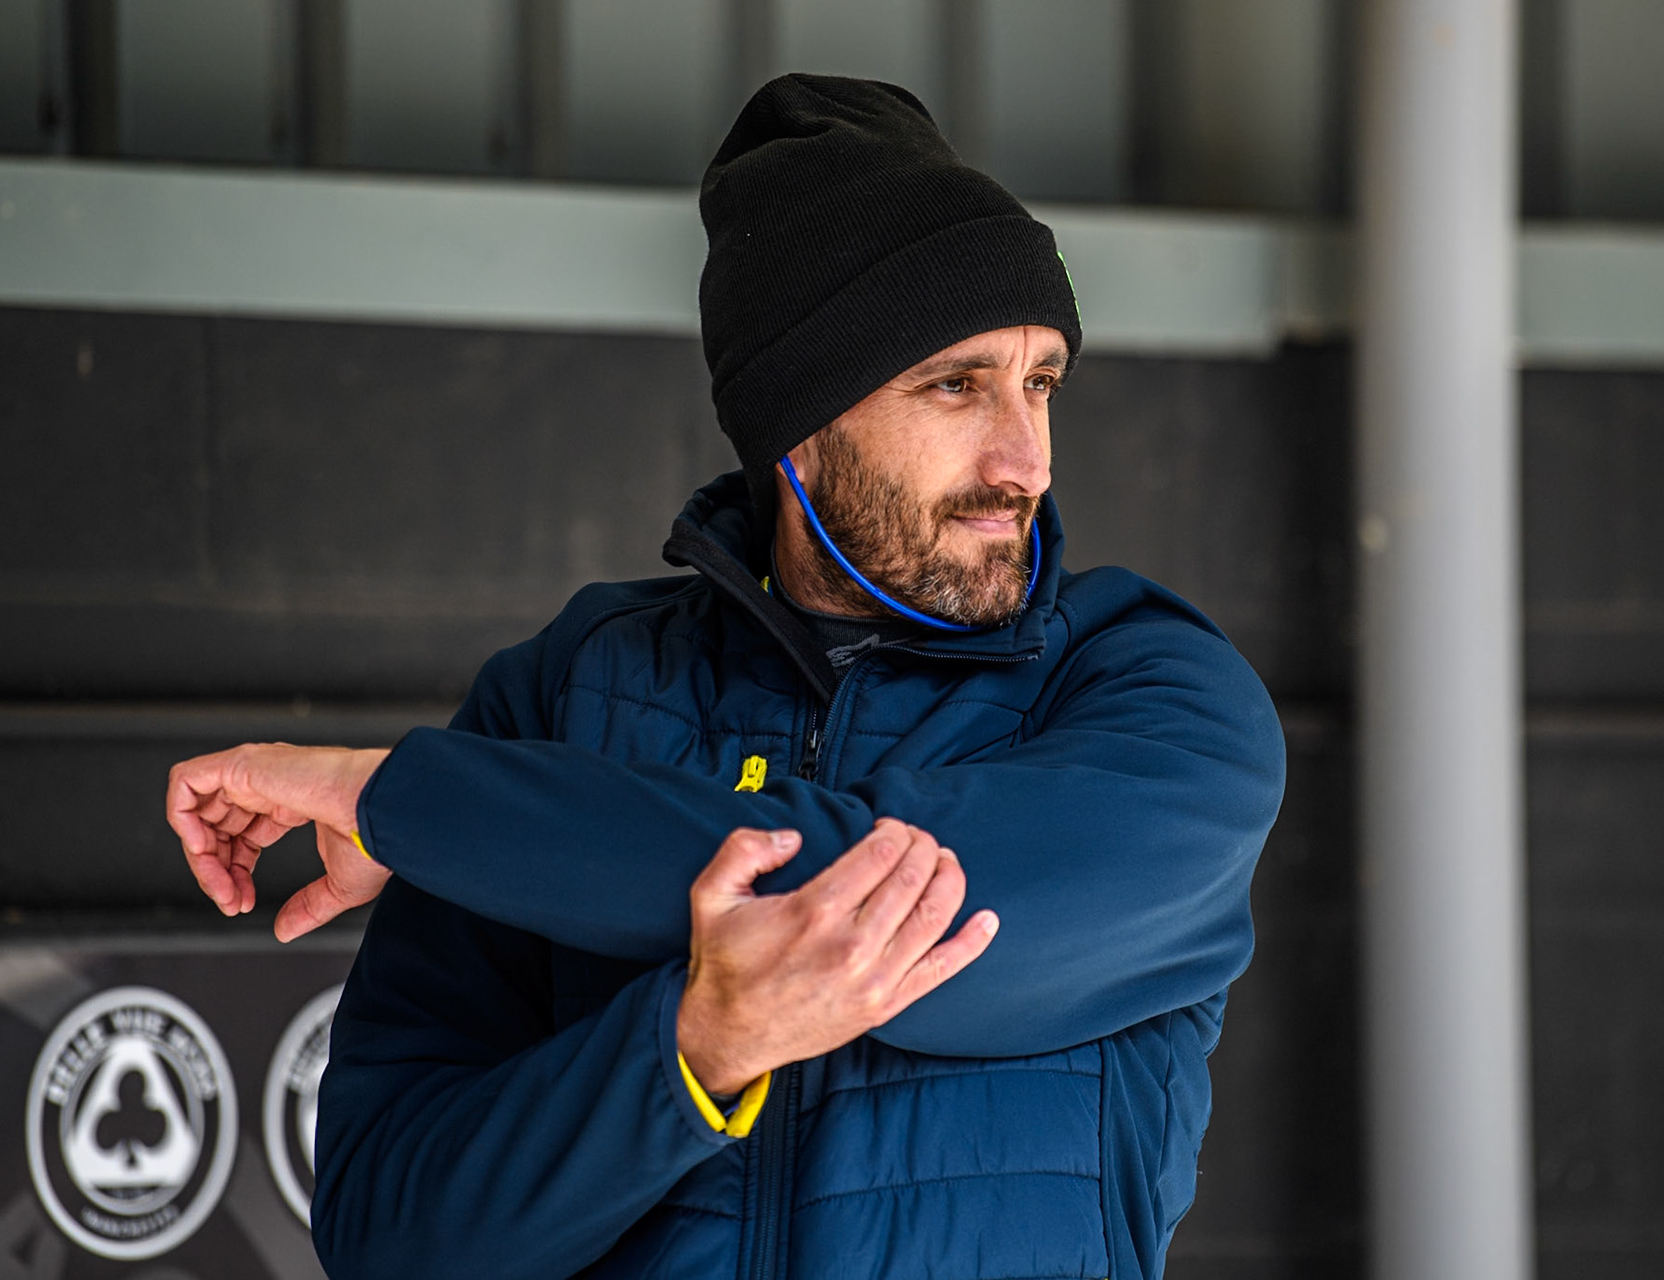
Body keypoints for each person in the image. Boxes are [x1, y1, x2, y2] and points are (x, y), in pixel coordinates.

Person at [166, 74, 1285, 1280]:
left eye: (1042, 381)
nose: (1025, 459)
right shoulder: (571, 696)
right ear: (796, 425)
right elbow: (394, 1234)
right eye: (957, 384)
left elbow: (880, 894)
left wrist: (408, 802)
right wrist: (689, 1052)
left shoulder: (1156, 697)